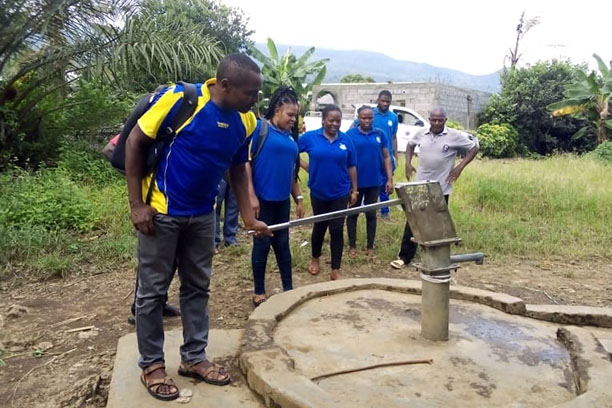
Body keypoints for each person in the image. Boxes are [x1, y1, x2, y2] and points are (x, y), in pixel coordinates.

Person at [125, 53, 270, 401]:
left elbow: (237, 167)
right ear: (225, 86)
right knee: (152, 293)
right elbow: (135, 142)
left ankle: (193, 358)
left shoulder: (246, 121)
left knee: (197, 288)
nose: (255, 100)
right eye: (250, 93)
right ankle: (152, 366)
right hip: (162, 213)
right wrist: (137, 205)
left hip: (204, 216)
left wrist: (249, 216)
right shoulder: (183, 100)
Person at [100, 133, 180, 324]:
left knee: (172, 256)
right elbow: (109, 150)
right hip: (148, 203)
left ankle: (159, 302)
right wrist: (141, 173)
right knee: (153, 259)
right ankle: (142, 308)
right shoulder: (145, 126)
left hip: (170, 203)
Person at [390, 107, 478, 269]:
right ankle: (404, 257)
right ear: (429, 119)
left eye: (440, 120)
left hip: (441, 188)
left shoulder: (454, 136)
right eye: (433, 120)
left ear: (445, 120)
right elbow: (410, 146)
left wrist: (460, 167)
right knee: (413, 222)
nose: (436, 123)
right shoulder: (421, 133)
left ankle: (436, 259)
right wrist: (408, 163)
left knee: (437, 223)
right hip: (420, 186)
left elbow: (474, 148)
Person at [248, 86, 305, 306]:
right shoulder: (260, 130)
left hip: (282, 202)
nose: (293, 119)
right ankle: (259, 291)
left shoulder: (290, 137)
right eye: (290, 114)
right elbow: (245, 165)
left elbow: (291, 173)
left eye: (295, 115)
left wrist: (298, 198)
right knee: (261, 246)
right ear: (277, 109)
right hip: (262, 201)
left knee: (283, 245)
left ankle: (288, 287)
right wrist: (251, 197)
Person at [299, 104, 358, 281]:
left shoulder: (346, 140)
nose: (335, 124)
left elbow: (352, 165)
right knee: (319, 227)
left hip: (340, 192)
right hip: (318, 191)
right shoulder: (310, 138)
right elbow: (293, 151)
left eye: (338, 121)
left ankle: (335, 268)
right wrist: (307, 167)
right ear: (323, 120)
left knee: (337, 229)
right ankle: (315, 259)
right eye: (331, 120)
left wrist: (355, 190)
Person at [345, 105, 393, 257]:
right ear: (358, 118)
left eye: (370, 117)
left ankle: (370, 246)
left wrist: (389, 179)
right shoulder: (350, 134)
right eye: (364, 117)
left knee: (371, 214)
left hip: (374, 182)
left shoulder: (380, 134)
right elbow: (345, 157)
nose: (367, 120)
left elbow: (386, 157)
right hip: (355, 183)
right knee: (353, 214)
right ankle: (352, 245)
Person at [372, 90, 399, 219]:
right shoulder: (370, 114)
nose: (385, 103)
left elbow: (394, 137)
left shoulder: (393, 117)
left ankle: (385, 212)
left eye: (388, 101)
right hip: (372, 157)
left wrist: (396, 156)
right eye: (383, 101)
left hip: (387, 157)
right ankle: (366, 209)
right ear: (378, 99)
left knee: (386, 184)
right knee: (369, 184)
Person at [214, 175, 239, 249]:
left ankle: (230, 238)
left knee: (233, 205)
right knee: (216, 206)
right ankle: (214, 239)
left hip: (235, 169)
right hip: (218, 171)